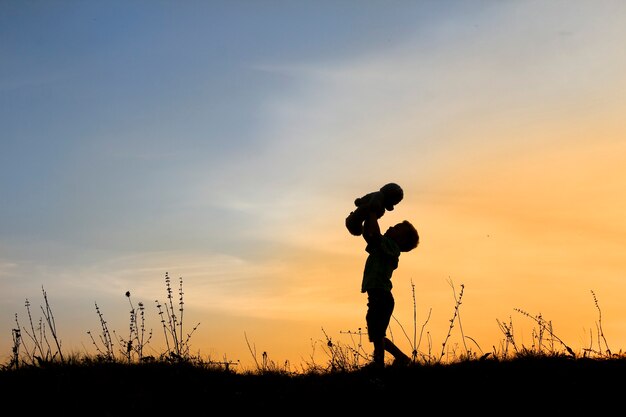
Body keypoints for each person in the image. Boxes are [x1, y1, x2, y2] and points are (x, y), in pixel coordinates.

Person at [360, 210, 419, 368]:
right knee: (376, 332)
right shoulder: (383, 245)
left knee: (377, 333)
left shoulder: (392, 247)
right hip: (378, 296)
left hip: (382, 296)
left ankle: (379, 363)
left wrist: (372, 213)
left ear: (402, 240)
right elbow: (369, 236)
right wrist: (366, 216)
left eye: (397, 227)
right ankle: (400, 358)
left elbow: (376, 235)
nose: (392, 226)